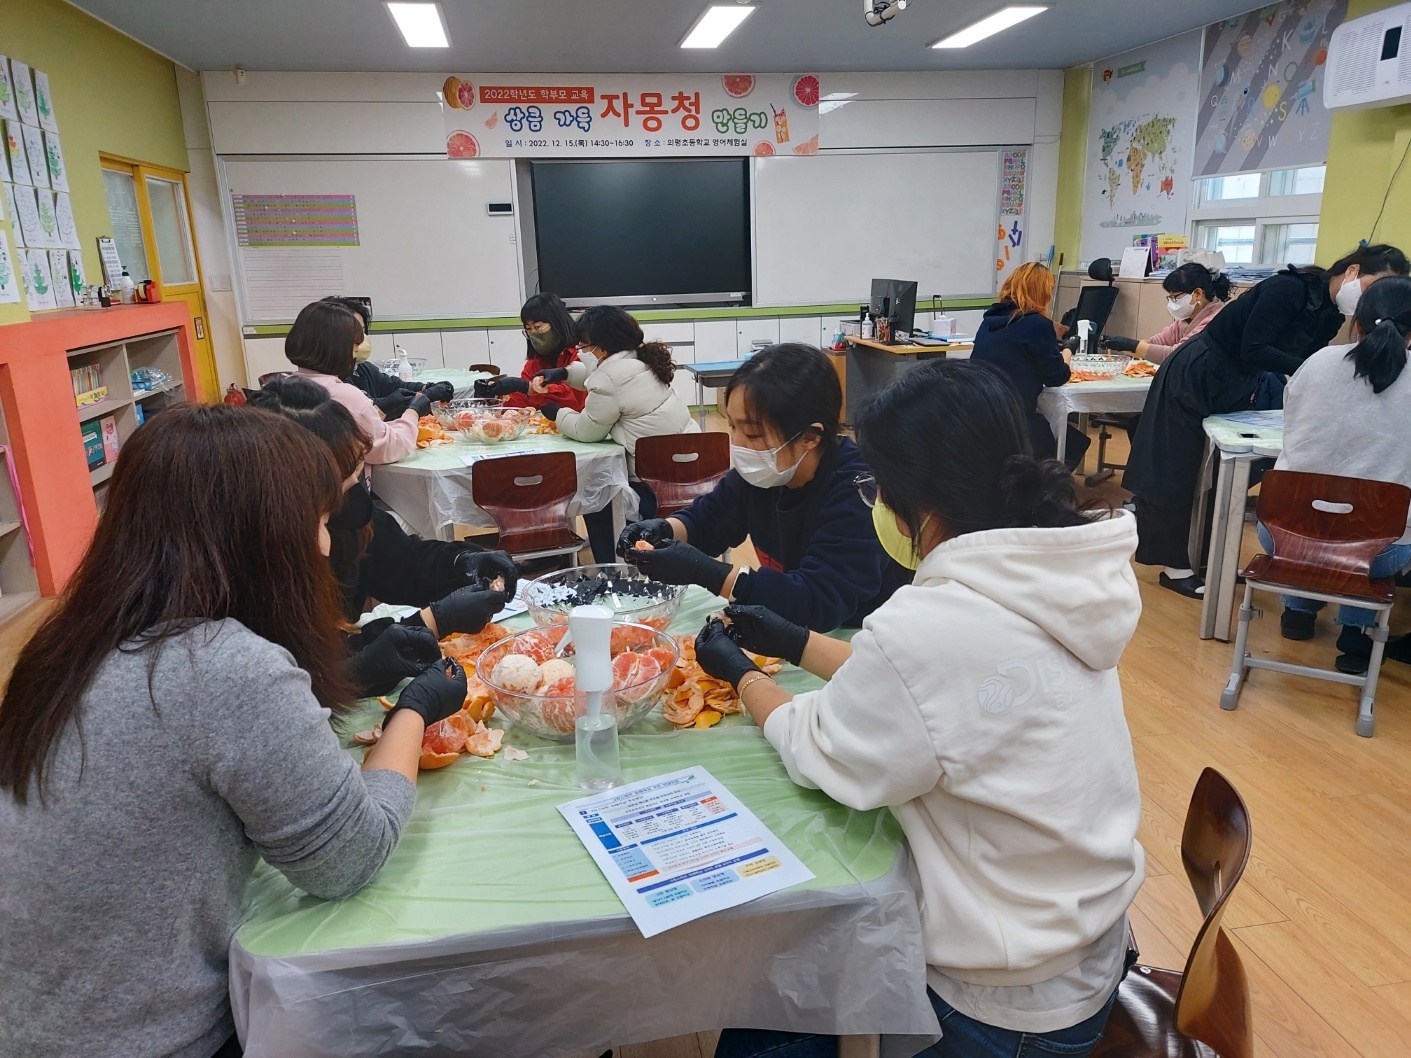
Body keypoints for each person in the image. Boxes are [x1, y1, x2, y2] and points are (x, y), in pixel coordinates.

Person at [693, 359, 1144, 1058]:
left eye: (876, 486)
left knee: (780, 991)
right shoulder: (1049, 580)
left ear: (918, 504)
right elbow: (924, 693)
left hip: (1001, 1001)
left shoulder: (936, 624)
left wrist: (744, 676)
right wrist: (794, 643)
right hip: (1079, 943)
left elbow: (824, 747)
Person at [0, 404, 469, 1058]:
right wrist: (414, 710)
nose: (327, 544)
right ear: (264, 538)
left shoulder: (71, 646)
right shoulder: (219, 667)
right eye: (317, 523)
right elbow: (350, 857)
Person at [1125, 244, 1410, 599]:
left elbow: (1297, 359)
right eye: (1376, 283)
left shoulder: (1330, 312)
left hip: (1237, 381)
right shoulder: (1289, 288)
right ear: (1352, 271)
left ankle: (1205, 558)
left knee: (1220, 470)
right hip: (1197, 371)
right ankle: (1174, 566)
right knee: (1177, 468)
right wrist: (1313, 375)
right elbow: (1256, 349)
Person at [251, 375, 517, 695]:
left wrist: (464, 562)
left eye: (357, 474)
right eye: (340, 486)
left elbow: (403, 561)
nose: (354, 492)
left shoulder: (351, 523)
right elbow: (311, 681)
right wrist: (432, 623)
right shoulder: (260, 581)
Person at [619, 343, 908, 631]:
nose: (739, 445)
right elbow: (708, 520)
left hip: (858, 635)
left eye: (753, 433)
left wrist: (709, 573)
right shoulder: (766, 472)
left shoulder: (859, 492)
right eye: (733, 427)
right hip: (794, 628)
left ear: (810, 436)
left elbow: (817, 602)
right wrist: (662, 530)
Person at [1259, 275, 1411, 675]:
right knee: (1380, 526)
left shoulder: (1318, 362)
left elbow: (1292, 428)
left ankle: (1297, 611)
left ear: (1356, 321)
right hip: (1377, 546)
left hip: (1282, 532)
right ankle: (1356, 634)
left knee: (1318, 509)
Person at [538, 305, 698, 562]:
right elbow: (598, 375)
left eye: (584, 345)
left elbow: (585, 430)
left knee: (596, 495)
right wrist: (564, 374)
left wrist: (557, 413)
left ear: (602, 347)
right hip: (693, 481)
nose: (583, 351)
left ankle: (611, 570)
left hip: (652, 492)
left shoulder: (609, 377)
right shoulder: (640, 359)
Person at [971, 261, 1091, 468]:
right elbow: (1057, 376)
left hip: (980, 410)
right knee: (1072, 443)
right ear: (1041, 291)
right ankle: (1043, 492)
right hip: (1015, 416)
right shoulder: (1036, 323)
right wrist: (1068, 349)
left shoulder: (990, 320)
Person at [286, 299, 427, 464]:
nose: (354, 357)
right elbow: (389, 447)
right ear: (341, 350)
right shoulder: (346, 397)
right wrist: (413, 412)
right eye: (354, 350)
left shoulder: (281, 386)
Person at [324, 296, 454, 419]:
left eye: (363, 331)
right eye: (355, 332)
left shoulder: (363, 369)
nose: (362, 339)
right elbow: (367, 411)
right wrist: (423, 399)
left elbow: (396, 386)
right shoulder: (331, 382)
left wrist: (427, 388)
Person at [474, 292, 588, 413]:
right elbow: (522, 402)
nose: (533, 333)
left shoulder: (582, 353)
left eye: (538, 327)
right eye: (528, 329)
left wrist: (528, 387)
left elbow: (576, 400)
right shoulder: (536, 361)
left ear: (556, 324)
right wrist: (495, 395)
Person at [1100, 262, 1232, 363]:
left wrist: (1132, 346)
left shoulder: (1214, 321)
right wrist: (1126, 348)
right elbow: (1158, 341)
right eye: (1170, 297)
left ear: (1197, 293)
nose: (1172, 302)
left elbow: (1177, 355)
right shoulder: (1187, 319)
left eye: (1176, 297)